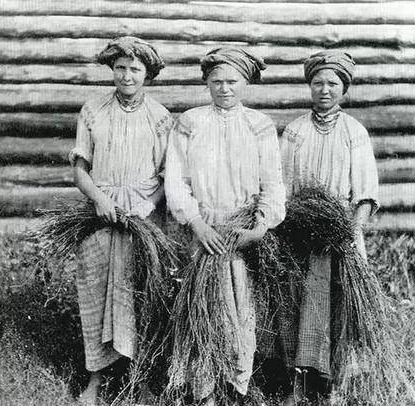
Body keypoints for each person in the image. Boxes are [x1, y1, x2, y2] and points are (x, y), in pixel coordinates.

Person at [165, 47, 286, 405]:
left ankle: (236, 386)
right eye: (216, 81)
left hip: (241, 231)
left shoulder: (259, 125)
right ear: (207, 82)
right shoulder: (190, 122)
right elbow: (176, 180)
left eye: (232, 81)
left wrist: (260, 227)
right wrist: (196, 223)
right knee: (203, 309)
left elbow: (273, 183)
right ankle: (204, 390)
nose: (224, 88)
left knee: (240, 309)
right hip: (202, 230)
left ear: (245, 83)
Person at [69, 36, 172, 405]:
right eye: (120, 68)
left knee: (140, 294)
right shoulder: (93, 110)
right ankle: (95, 380)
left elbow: (169, 175)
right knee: (96, 292)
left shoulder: (160, 117)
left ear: (148, 74)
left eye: (135, 70)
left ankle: (140, 380)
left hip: (144, 219)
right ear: (112, 70)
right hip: (100, 216)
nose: (127, 76)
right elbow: (80, 169)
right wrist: (99, 199)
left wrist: (147, 206)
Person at [278, 50, 379, 405]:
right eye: (318, 83)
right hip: (300, 234)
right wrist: (292, 224)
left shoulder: (354, 132)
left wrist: (349, 234)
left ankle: (331, 384)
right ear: (310, 86)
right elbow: (282, 187)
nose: (325, 90)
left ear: (344, 89)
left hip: (340, 237)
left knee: (337, 307)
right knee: (296, 304)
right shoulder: (295, 131)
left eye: (332, 84)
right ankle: (297, 384)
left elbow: (365, 194)